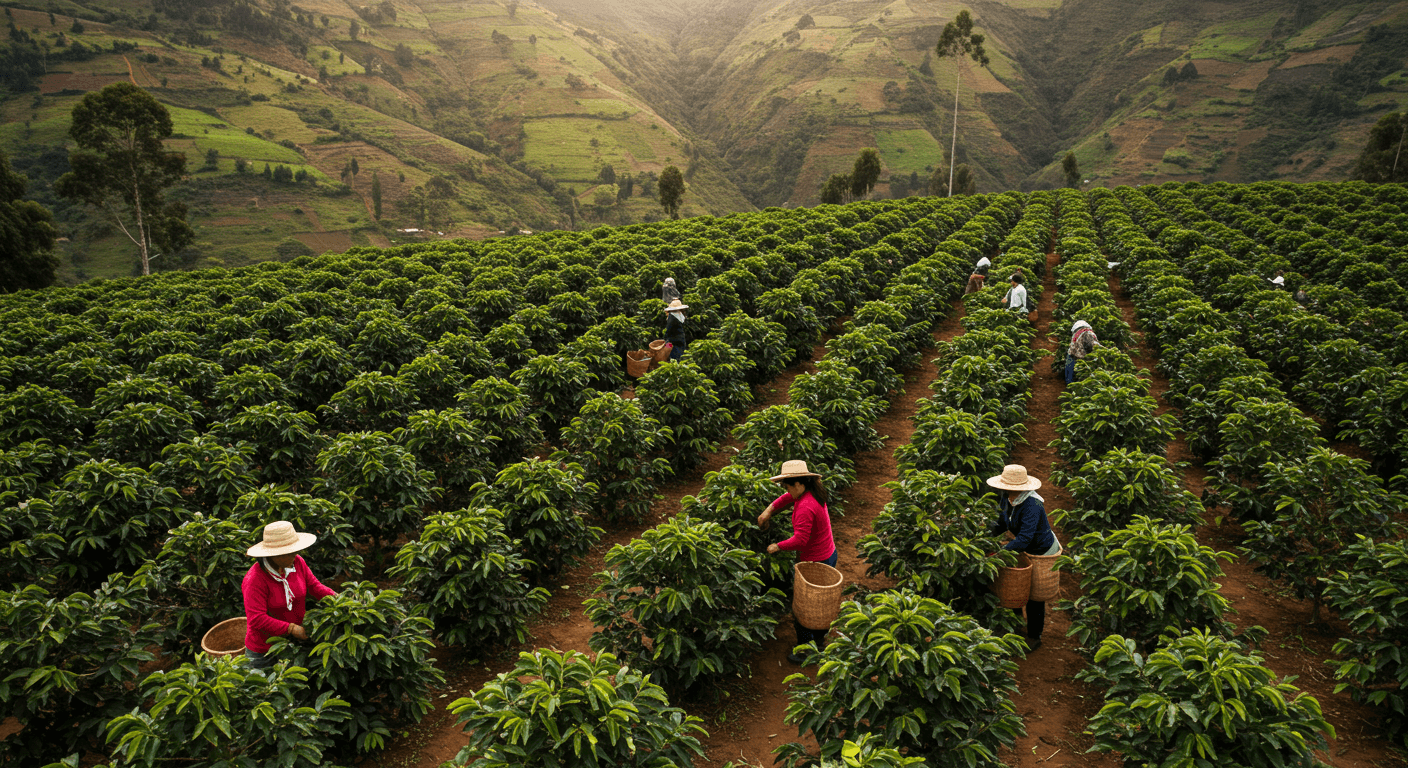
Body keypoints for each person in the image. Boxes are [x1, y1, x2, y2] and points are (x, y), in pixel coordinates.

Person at [757, 460, 837, 665]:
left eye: (787, 485)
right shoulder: (812, 492)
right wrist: (769, 510)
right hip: (828, 553)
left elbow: (800, 540)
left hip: (815, 560)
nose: (786, 490)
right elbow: (786, 498)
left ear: (799, 484)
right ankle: (819, 642)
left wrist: (778, 546)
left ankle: (806, 651)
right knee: (819, 604)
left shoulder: (805, 506)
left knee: (803, 608)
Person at [242, 521, 337, 669]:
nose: (295, 554)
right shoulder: (255, 579)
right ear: (274, 554)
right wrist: (291, 629)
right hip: (263, 651)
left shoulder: (297, 563)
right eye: (289, 552)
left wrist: (337, 598)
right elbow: (256, 618)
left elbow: (314, 587)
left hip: (292, 644)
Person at [986, 465, 1058, 650]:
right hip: (1023, 547)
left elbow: (1025, 538)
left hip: (1041, 551)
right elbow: (1002, 523)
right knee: (1015, 587)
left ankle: (1035, 636)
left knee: (1034, 595)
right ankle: (1016, 623)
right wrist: (985, 538)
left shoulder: (1032, 505)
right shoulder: (1007, 498)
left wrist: (1000, 553)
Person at [1065, 320, 1100, 384]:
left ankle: (1070, 384)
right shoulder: (1088, 333)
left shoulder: (1084, 333)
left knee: (1070, 370)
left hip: (1076, 354)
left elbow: (1090, 345)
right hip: (1081, 355)